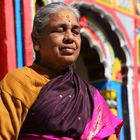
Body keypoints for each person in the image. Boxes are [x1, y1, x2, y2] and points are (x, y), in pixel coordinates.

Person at [0, 2, 123, 140]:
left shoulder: (91, 97)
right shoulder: (19, 83)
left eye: (76, 32)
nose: (70, 37)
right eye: (60, 30)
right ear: (36, 41)